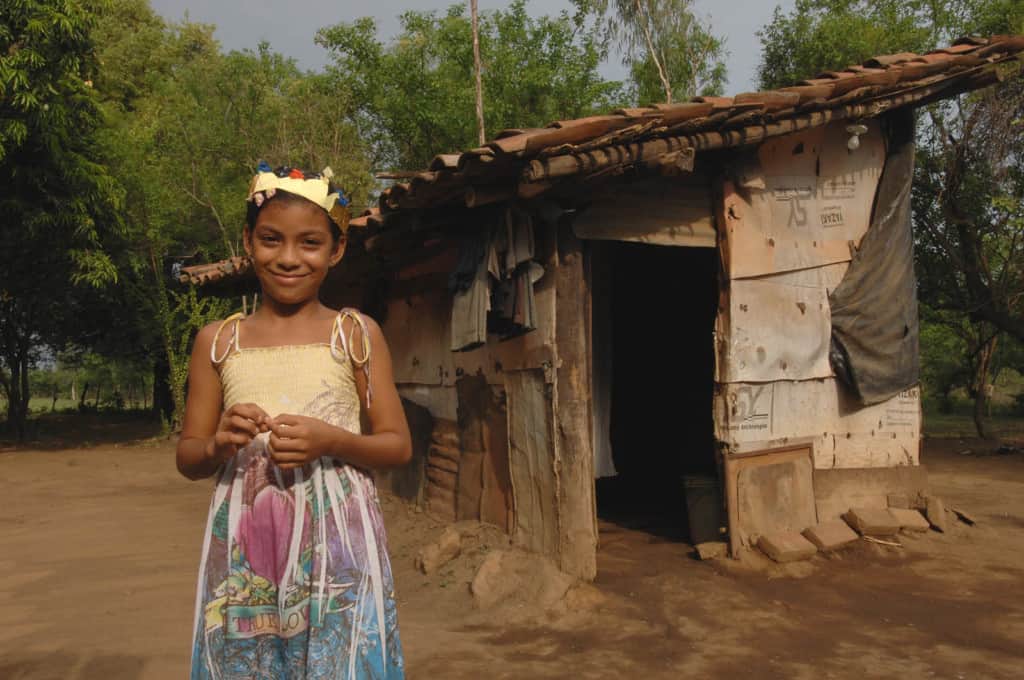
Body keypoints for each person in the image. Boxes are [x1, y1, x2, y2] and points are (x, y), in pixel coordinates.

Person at [176, 163, 411, 679]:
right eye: (270, 240)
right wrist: (219, 444)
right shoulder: (218, 341)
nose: (288, 258)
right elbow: (189, 458)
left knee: (339, 659)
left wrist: (331, 440)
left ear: (336, 249)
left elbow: (397, 446)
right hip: (246, 544)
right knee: (250, 662)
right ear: (248, 241)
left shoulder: (355, 334)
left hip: (339, 543)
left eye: (309, 243)